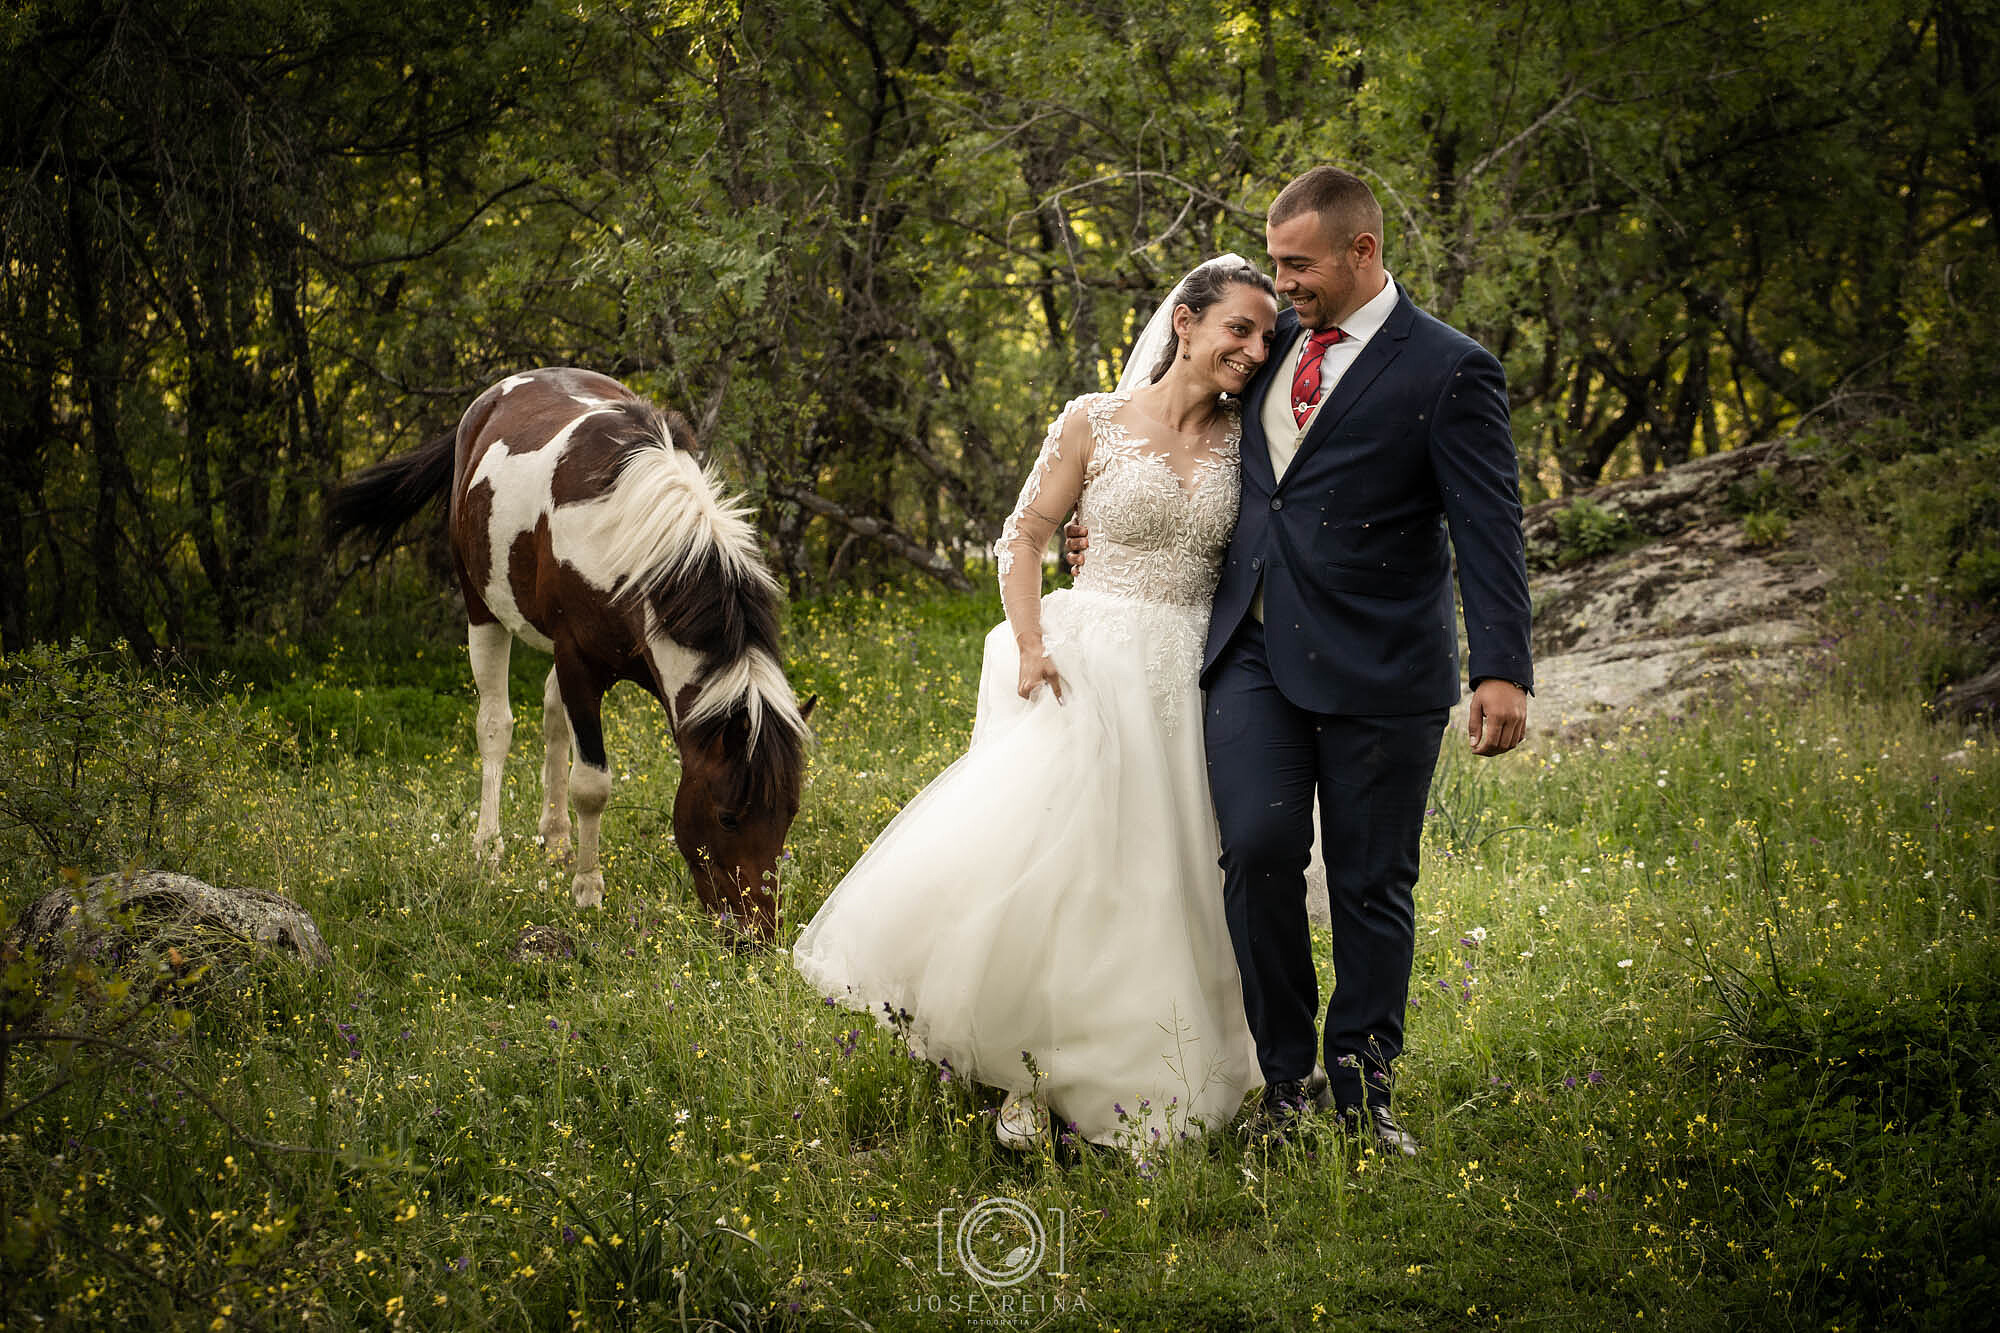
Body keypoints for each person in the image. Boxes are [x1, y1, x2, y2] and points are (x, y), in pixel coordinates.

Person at [1070, 167, 1534, 1157]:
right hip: (1251, 653)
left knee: (1370, 881)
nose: (1281, 284)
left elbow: (1487, 528)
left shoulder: (1449, 369)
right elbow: (1186, 426)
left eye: (1298, 264)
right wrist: (1100, 516)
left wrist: (1501, 666)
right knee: (1259, 848)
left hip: (1383, 667)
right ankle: (1282, 1083)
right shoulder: (1268, 343)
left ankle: (1363, 1096)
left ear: (1361, 252)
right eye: (1275, 263)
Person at [793, 257, 1279, 1154]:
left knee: (1174, 878)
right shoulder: (1092, 419)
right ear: (1185, 323)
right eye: (1238, 329)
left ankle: (1167, 1068)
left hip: (1191, 670)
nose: (1252, 350)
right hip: (1087, 661)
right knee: (1075, 872)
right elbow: (1025, 535)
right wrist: (1029, 644)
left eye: (1264, 335)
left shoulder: (1252, 441)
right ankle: (1033, 1068)